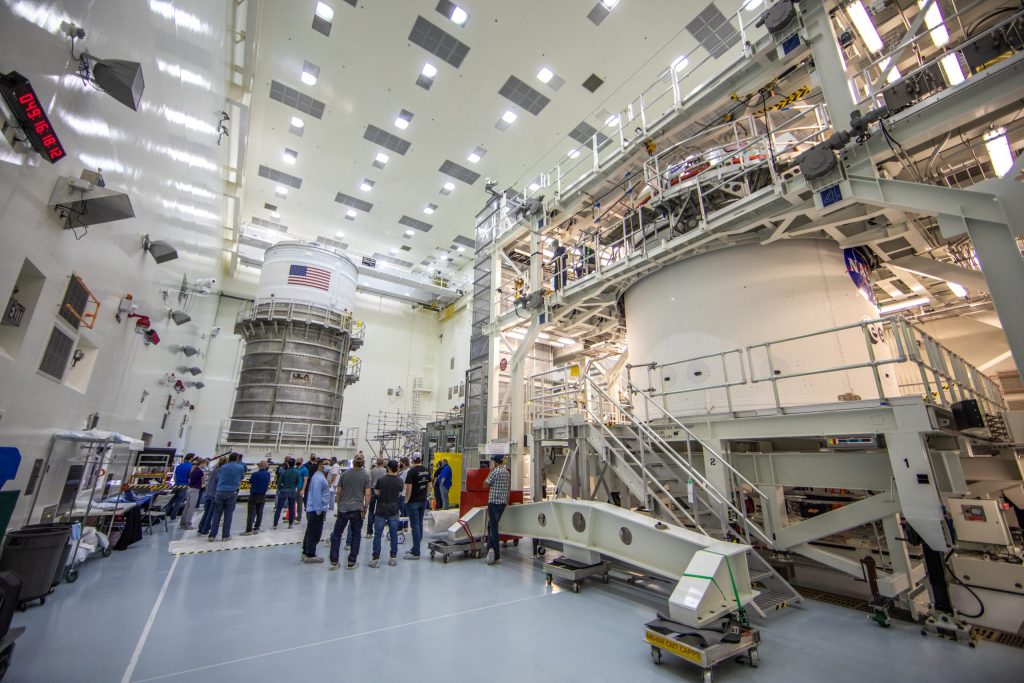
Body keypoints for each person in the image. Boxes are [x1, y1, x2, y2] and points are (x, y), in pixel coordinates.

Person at [328, 454, 371, 570]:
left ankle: (334, 561)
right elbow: (367, 493)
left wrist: (339, 505)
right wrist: (365, 508)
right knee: (356, 535)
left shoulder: (345, 474)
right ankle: (351, 561)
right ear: (363, 463)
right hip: (357, 509)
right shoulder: (365, 476)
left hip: (343, 508)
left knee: (337, 535)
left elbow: (338, 492)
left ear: (353, 463)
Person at [369, 460, 403, 568]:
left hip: (381, 509)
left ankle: (376, 558)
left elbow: (377, 493)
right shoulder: (400, 481)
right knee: (393, 534)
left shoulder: (381, 480)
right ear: (397, 468)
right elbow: (399, 494)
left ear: (388, 468)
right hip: (393, 510)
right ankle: (393, 557)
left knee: (378, 534)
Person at [207, 453, 245, 542]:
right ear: (236, 459)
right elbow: (242, 477)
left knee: (217, 514)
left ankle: (212, 535)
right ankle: (225, 535)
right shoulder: (240, 467)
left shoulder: (222, 468)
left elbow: (217, 478)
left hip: (220, 491)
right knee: (228, 514)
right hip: (232, 492)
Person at [300, 461, 331, 563]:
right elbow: (316, 494)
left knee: (310, 531)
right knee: (315, 532)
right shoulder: (319, 478)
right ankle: (310, 554)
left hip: (314, 508)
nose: (328, 465)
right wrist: (318, 510)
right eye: (326, 463)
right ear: (320, 465)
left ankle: (306, 551)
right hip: (316, 509)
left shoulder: (318, 477)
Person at [483, 454, 511, 565]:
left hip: (493, 502)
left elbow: (485, 485)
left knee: (494, 529)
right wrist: (506, 501)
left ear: (495, 463)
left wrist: (490, 471)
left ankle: (497, 556)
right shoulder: (507, 473)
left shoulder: (495, 472)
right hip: (502, 503)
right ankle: (490, 550)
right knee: (491, 526)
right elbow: (509, 488)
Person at [403, 453, 431, 560]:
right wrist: (424, 495)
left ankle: (416, 553)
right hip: (422, 501)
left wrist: (406, 501)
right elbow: (429, 486)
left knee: (414, 526)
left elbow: (408, 489)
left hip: (413, 501)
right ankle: (416, 547)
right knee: (419, 524)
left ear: (413, 460)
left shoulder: (411, 472)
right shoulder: (426, 470)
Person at [197, 455, 226, 535]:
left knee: (206, 512)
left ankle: (201, 528)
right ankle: (205, 529)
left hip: (208, 493)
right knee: (210, 513)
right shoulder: (220, 471)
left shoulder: (213, 470)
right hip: (214, 494)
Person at [242, 460, 270, 536]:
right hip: (263, 495)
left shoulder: (255, 474)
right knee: (260, 513)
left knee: (251, 513)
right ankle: (256, 528)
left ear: (259, 466)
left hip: (254, 495)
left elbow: (250, 481)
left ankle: (248, 530)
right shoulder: (268, 474)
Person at [178, 458, 205, 530]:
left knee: (187, 507)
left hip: (189, 489)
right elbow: (203, 480)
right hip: (195, 490)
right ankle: (187, 524)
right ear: (201, 464)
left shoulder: (193, 470)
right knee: (191, 508)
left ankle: (182, 523)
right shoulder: (199, 471)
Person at [273, 458, 300, 529]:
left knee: (279, 508)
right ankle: (290, 524)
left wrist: (280, 488)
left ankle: (275, 524)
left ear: (287, 464)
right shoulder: (296, 472)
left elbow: (279, 482)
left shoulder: (284, 472)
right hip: (292, 491)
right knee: (291, 508)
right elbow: (298, 481)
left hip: (283, 491)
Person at [168, 453, 194, 520]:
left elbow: (175, 476)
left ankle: (165, 514)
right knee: (178, 502)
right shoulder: (190, 466)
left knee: (171, 500)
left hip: (176, 485)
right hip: (184, 485)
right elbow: (190, 476)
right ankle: (173, 516)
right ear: (191, 458)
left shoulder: (179, 466)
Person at [365, 457, 386, 537]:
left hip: (373, 490)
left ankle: (369, 532)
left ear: (376, 463)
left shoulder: (372, 471)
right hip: (382, 491)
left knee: (371, 511)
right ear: (383, 463)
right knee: (380, 511)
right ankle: (380, 531)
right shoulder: (385, 471)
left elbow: (369, 482)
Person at [294, 458, 308, 522]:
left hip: (300, 487)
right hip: (293, 487)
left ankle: (299, 517)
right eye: (296, 461)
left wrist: (303, 489)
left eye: (298, 461)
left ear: (302, 461)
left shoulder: (305, 470)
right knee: (292, 502)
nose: (296, 462)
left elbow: (305, 480)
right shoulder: (295, 468)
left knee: (299, 503)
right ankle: (292, 515)